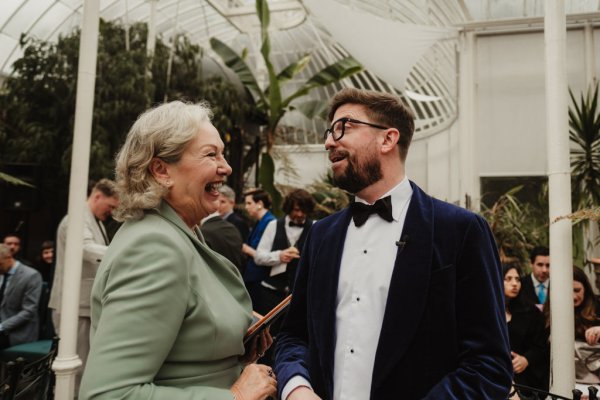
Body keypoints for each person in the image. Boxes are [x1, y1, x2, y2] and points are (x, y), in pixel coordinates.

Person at [274, 88, 512, 400]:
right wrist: (296, 388)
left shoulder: (460, 231)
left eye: (343, 127)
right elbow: (293, 335)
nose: (329, 142)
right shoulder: (321, 235)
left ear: (388, 139)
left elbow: (488, 364)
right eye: (329, 131)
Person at [79, 101, 276, 400]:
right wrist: (235, 397)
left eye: (222, 153)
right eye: (211, 154)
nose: (226, 166)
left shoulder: (178, 231)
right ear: (161, 170)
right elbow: (109, 394)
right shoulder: (154, 248)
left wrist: (240, 330)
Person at [48, 178, 119, 390]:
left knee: (86, 363)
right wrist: (122, 251)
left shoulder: (94, 220)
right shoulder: (76, 219)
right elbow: (86, 249)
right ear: (97, 196)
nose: (112, 212)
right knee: (75, 366)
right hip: (74, 305)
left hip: (85, 304)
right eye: (110, 206)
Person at [253, 188, 315, 315]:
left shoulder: (315, 227)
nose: (300, 214)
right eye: (296, 210)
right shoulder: (273, 225)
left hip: (300, 296)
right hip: (271, 293)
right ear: (288, 208)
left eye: (304, 211)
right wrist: (278, 256)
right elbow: (258, 257)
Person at [544, 267, 600, 394]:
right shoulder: (546, 316)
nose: (573, 296)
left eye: (577, 290)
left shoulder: (597, 308)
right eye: (567, 291)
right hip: (563, 386)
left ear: (586, 288)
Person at [503, 264, 549, 391]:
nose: (514, 284)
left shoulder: (531, 312)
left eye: (517, 279)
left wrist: (526, 359)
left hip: (524, 377)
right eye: (508, 279)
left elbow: (541, 346)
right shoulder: (487, 311)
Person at [0, 244, 42, 349]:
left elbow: (29, 311)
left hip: (16, 332)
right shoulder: (1, 272)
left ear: (9, 257)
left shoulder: (31, 275)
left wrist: (1, 327)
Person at [242, 189, 276, 309]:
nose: (246, 207)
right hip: (253, 277)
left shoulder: (270, 222)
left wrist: (245, 248)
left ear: (260, 204)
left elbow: (266, 253)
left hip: (260, 279)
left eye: (249, 203)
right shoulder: (261, 221)